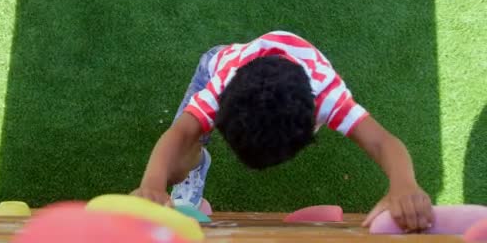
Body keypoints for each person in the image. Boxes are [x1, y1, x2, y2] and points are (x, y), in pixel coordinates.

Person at [130, 30, 433, 232]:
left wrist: (404, 185)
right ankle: (197, 165)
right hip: (214, 64)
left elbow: (381, 141)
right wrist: (152, 185)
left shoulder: (327, 94)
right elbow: (180, 133)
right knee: (178, 163)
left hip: (276, 74)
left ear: (315, 121)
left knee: (178, 152)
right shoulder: (221, 84)